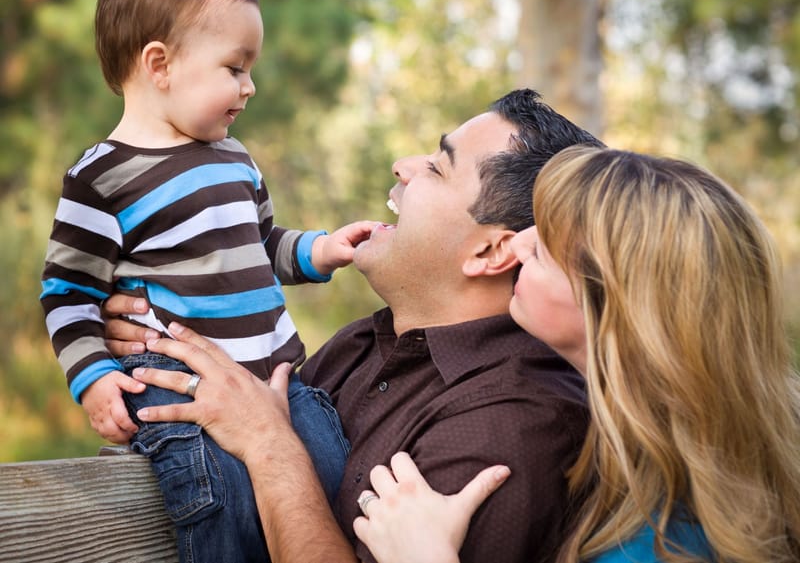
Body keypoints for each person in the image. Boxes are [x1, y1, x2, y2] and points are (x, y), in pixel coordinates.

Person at [102, 88, 605, 563]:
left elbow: (260, 430)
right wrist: (154, 354)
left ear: (491, 251)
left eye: (436, 166)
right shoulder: (362, 344)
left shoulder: (511, 427)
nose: (403, 167)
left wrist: (270, 445)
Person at [40, 0, 377, 563]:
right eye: (235, 67)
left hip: (280, 380)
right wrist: (92, 380)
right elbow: (67, 295)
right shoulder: (102, 179)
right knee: (223, 508)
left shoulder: (234, 158)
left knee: (331, 476)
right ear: (160, 64)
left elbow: (264, 244)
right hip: (183, 391)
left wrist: (321, 250)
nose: (249, 87)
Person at [350, 146, 800, 563]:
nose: (518, 245)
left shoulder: (666, 541)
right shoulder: (674, 460)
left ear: (615, 308)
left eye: (544, 246)